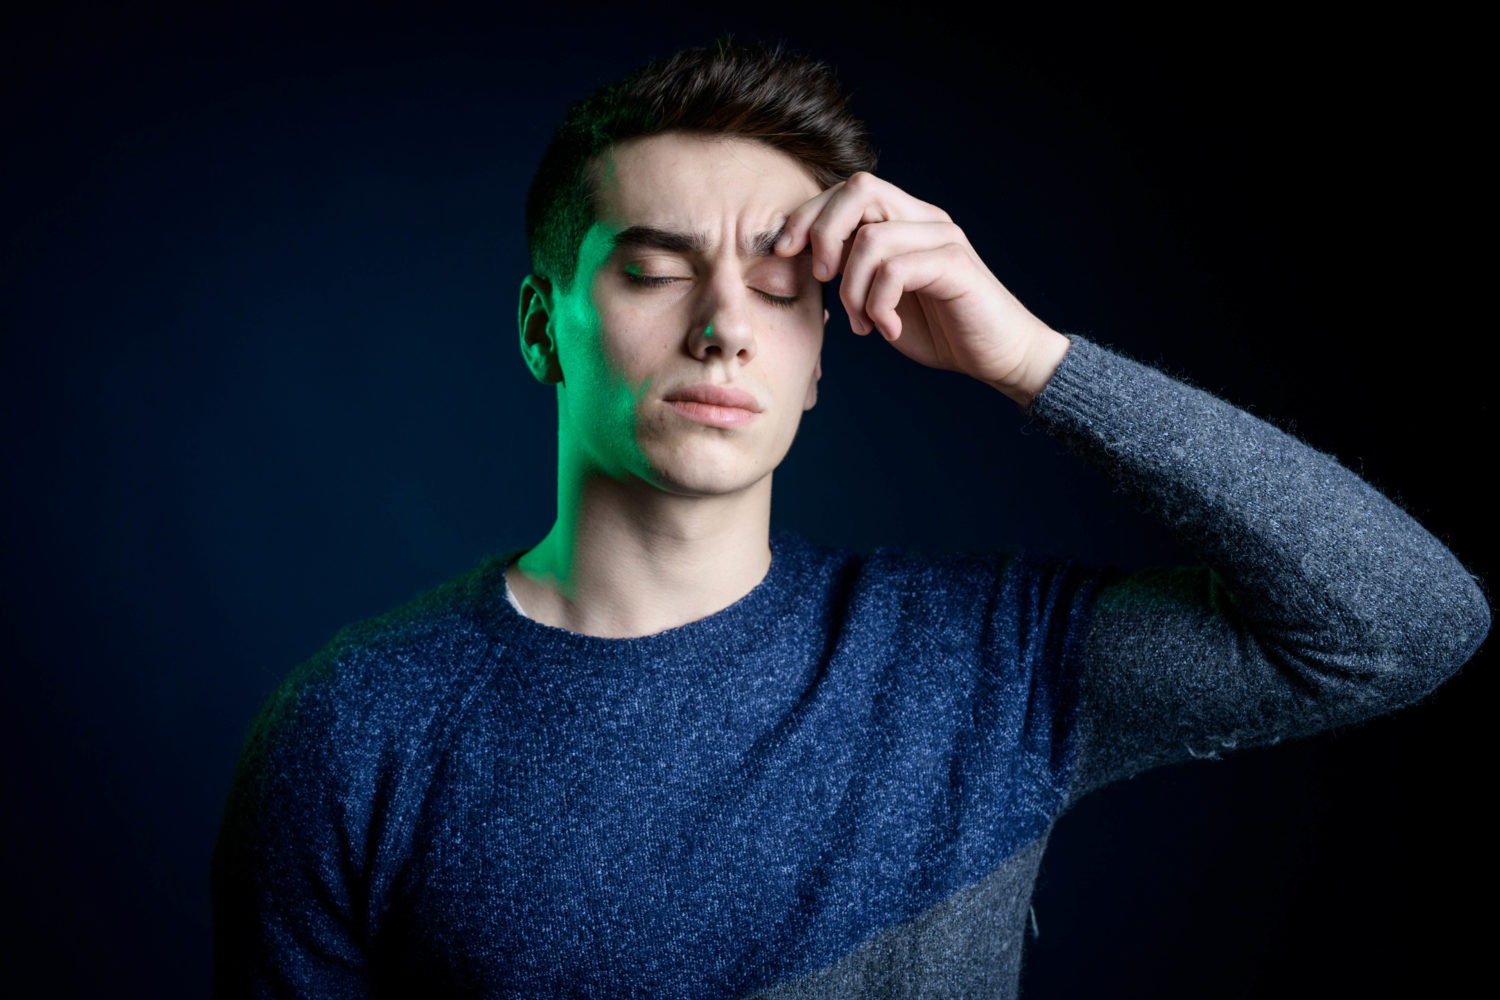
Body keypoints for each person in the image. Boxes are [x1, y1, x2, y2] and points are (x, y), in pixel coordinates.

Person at [211, 38, 1489, 998]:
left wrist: (1032, 359)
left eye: (779, 286)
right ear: (545, 325)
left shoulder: (982, 663)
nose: (723, 325)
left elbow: (1408, 622)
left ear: (823, 351)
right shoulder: (358, 727)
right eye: (654, 270)